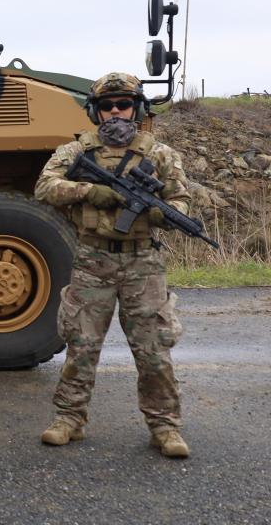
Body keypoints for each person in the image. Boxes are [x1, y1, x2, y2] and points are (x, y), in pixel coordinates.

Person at [35, 73, 190, 458]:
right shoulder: (76, 152)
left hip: (143, 261)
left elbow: (182, 201)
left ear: (137, 109)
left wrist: (162, 213)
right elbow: (45, 187)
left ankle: (165, 426)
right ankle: (69, 418)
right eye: (108, 106)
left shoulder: (160, 155)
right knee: (81, 345)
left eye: (124, 104)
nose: (116, 112)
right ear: (96, 111)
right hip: (93, 258)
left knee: (153, 349)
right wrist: (91, 191)